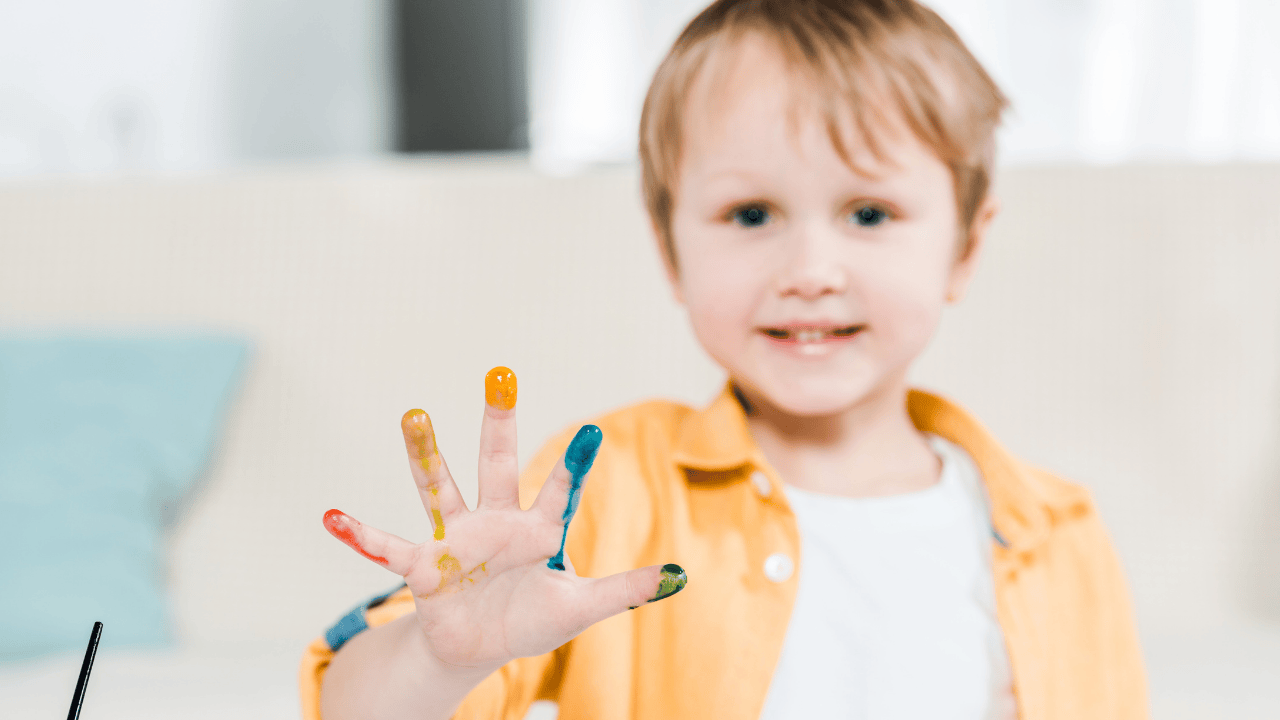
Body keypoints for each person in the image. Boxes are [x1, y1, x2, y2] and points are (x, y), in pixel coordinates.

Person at [301, 1, 1148, 718]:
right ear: (669, 247)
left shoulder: (1060, 532)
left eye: (869, 213)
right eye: (750, 215)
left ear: (965, 244)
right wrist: (442, 655)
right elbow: (345, 701)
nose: (810, 273)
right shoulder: (603, 491)